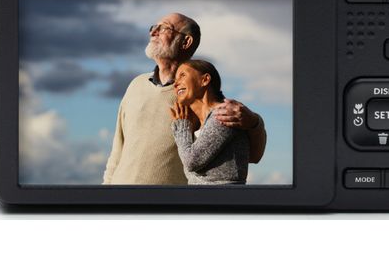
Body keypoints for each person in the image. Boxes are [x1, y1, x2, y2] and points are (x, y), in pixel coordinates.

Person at [102, 12, 266, 185]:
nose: (153, 32)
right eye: (153, 27)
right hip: (119, 194)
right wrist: (106, 190)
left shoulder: (196, 95)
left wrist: (254, 122)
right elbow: (117, 149)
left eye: (164, 28)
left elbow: (251, 155)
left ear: (186, 42)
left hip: (170, 199)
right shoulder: (136, 85)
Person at [170, 60, 249, 184]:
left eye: (182, 75)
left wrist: (182, 128)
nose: (175, 84)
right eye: (175, 79)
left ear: (205, 80)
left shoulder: (224, 114)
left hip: (224, 195)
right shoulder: (198, 123)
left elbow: (191, 162)